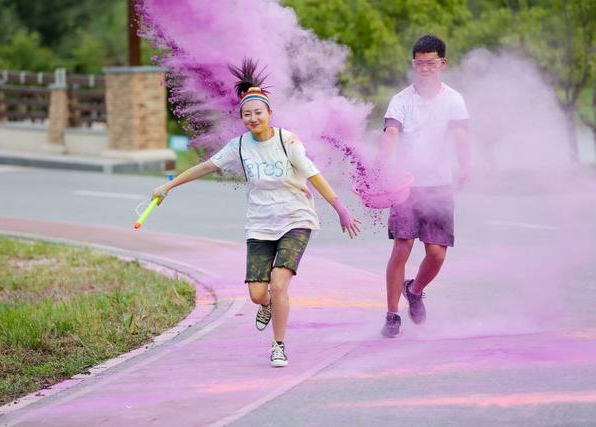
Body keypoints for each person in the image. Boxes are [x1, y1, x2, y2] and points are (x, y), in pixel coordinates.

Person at [151, 59, 361, 366]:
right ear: (241, 118)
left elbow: (313, 175)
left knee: (279, 285)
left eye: (258, 112)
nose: (253, 118)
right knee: (257, 294)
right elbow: (205, 166)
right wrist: (168, 187)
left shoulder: (286, 140)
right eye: (247, 114)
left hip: (296, 219)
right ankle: (266, 306)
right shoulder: (238, 146)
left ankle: (278, 345)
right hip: (260, 225)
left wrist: (340, 208)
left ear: (269, 113)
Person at [379, 35, 470, 338]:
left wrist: (465, 165)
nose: (425, 68)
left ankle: (415, 290)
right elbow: (391, 133)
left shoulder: (454, 99)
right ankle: (392, 314)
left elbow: (460, 136)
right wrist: (381, 165)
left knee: (437, 254)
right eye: (419, 63)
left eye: (431, 62)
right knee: (402, 247)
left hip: (439, 185)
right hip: (406, 185)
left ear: (443, 63)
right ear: (413, 64)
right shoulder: (401, 100)